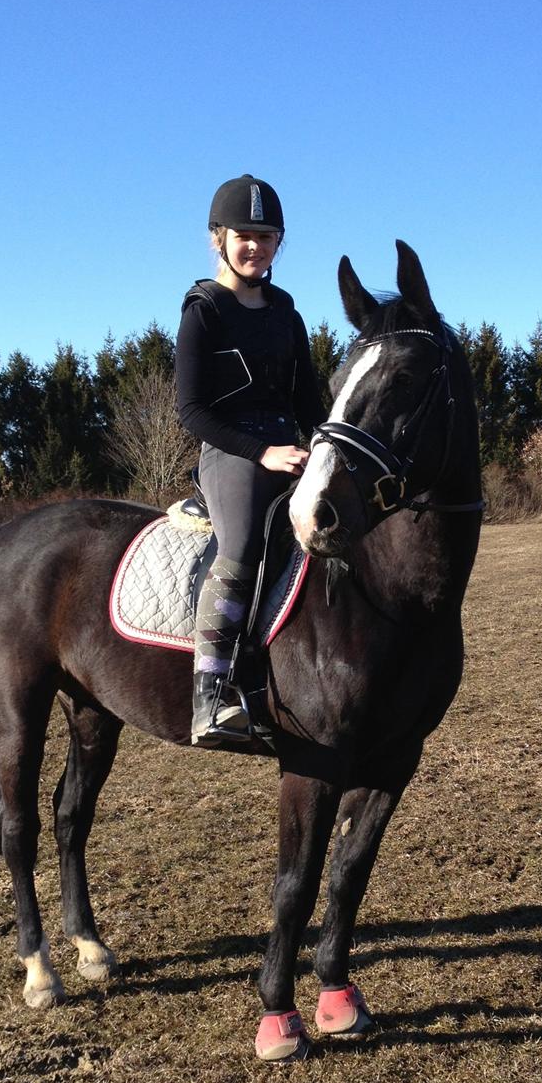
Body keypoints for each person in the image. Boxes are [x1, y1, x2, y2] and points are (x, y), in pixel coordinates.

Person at [175, 174, 325, 745]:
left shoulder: (286, 312)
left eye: (266, 236)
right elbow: (191, 411)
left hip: (292, 446)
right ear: (219, 238)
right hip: (232, 452)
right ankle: (209, 697)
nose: (255, 246)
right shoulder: (204, 310)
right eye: (244, 235)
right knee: (240, 548)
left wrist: (323, 446)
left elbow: (308, 399)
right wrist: (261, 452)